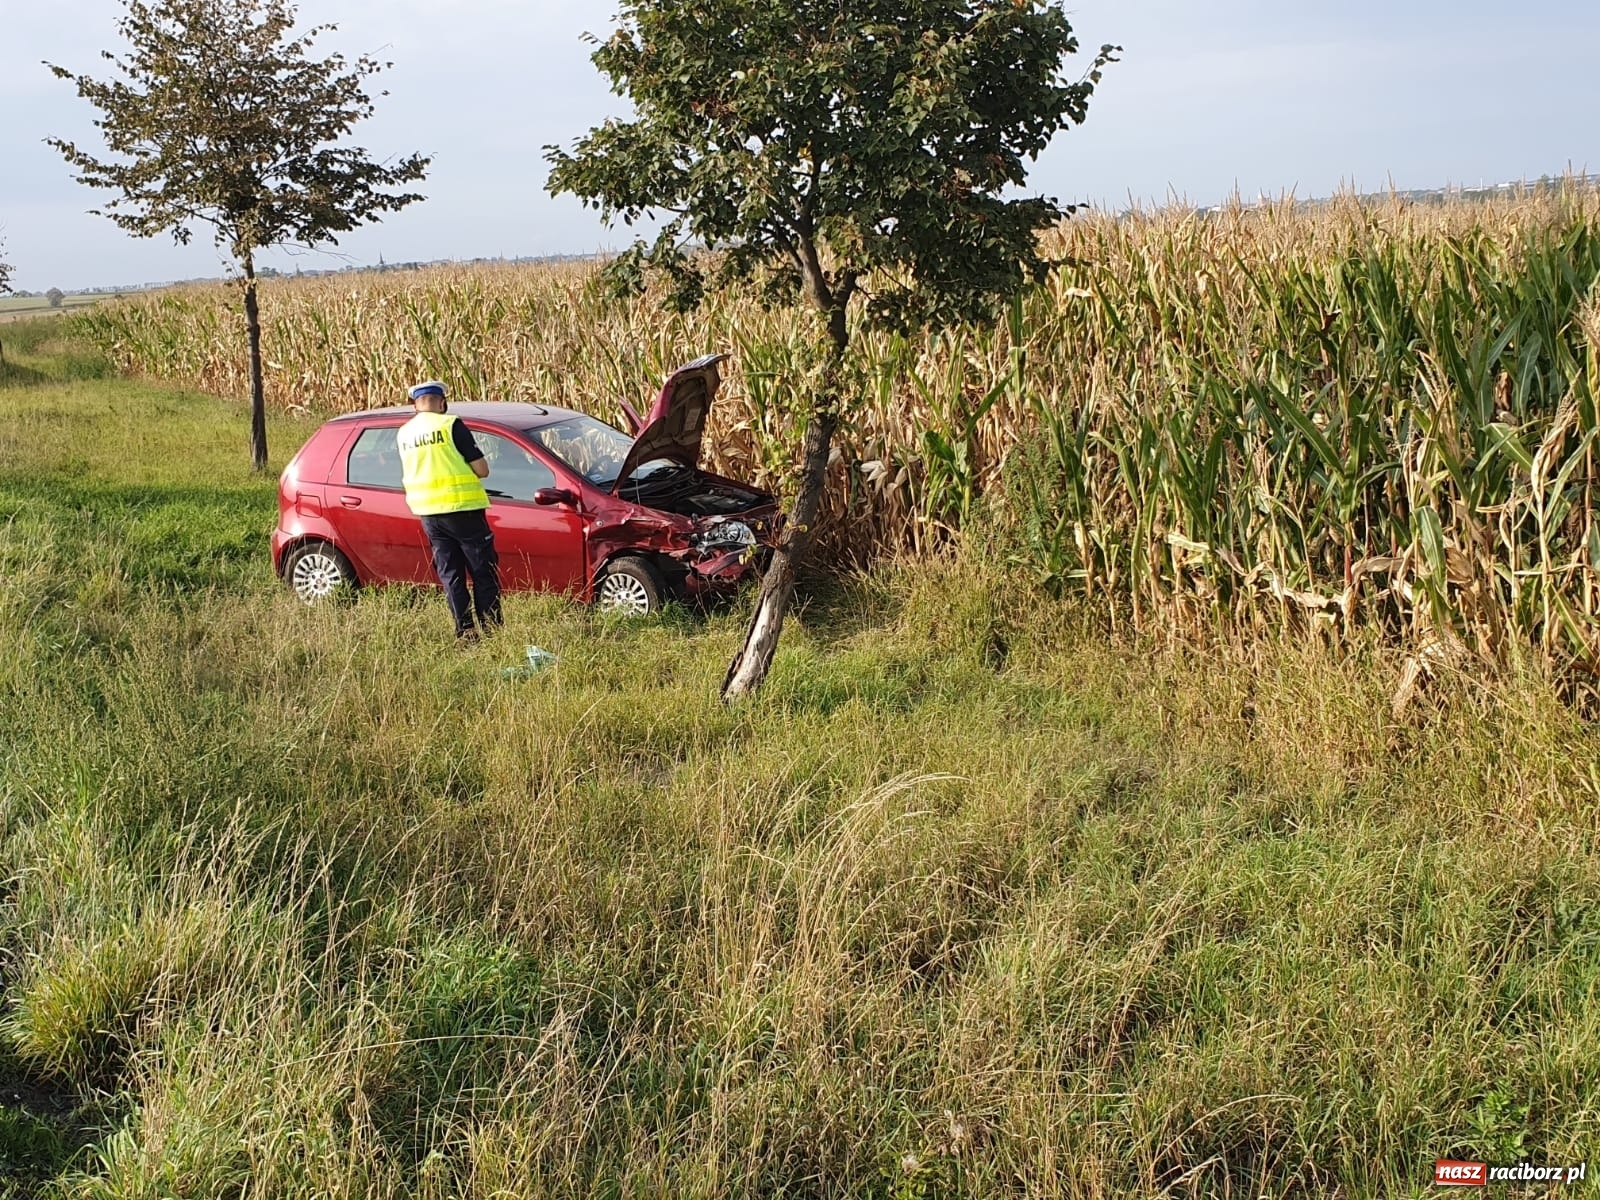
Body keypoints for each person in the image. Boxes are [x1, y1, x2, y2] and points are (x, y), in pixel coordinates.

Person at [397, 381, 503, 639]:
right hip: (462, 509)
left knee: (451, 574)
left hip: (429, 514)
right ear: (442, 402)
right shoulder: (450, 425)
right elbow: (482, 470)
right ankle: (492, 632)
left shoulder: (404, 433)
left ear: (415, 405)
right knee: (483, 572)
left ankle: (465, 632)